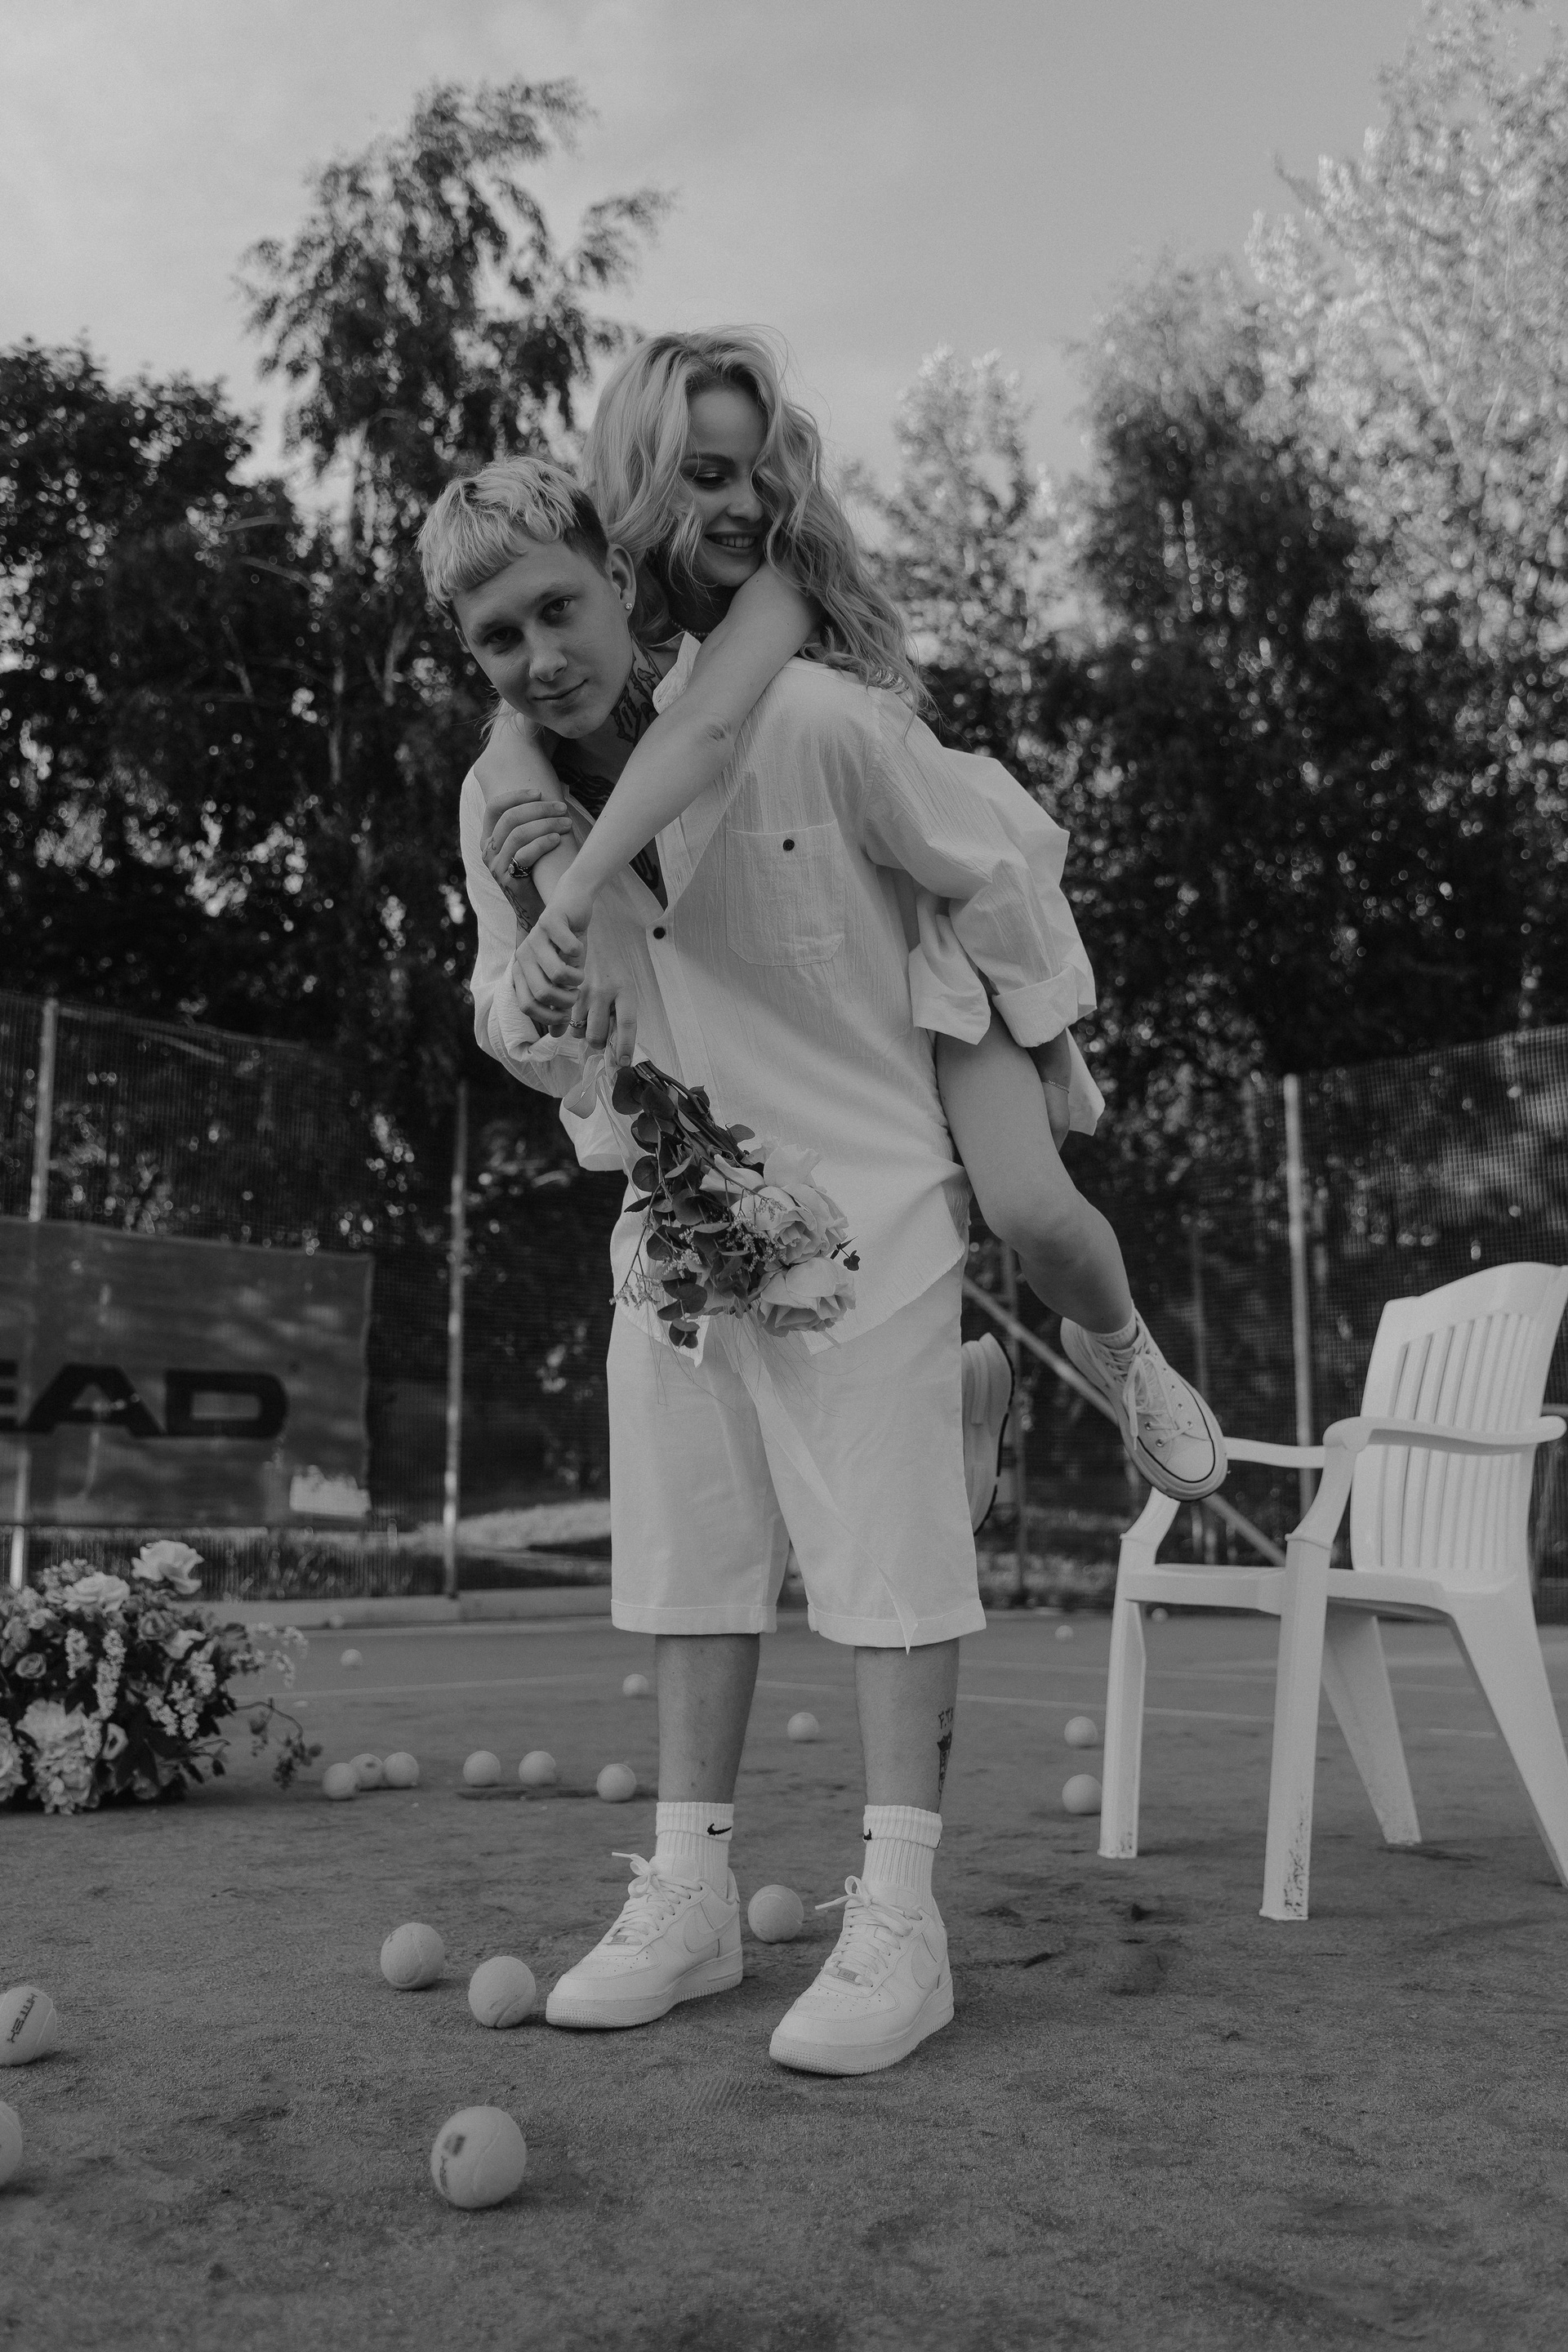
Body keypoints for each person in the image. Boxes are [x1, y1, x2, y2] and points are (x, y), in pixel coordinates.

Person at [418, 454, 1118, 2074]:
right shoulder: (496, 806)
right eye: (498, 637)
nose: (539, 656)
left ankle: (903, 1922)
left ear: (621, 578)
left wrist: (1046, 1048)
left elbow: (991, 856)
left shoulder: (805, 717)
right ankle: (691, 1895)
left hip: (869, 1195)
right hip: (676, 1215)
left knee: (886, 1555)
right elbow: (511, 1013)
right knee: (689, 1546)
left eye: (559, 608)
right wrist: (535, 1004)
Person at [474, 329, 1225, 1501]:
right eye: (708, 475)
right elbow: (512, 737)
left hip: (926, 929)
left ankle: (1123, 1348)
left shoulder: (778, 586)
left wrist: (576, 889)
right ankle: (951, 1408)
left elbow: (703, 730)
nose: (746, 502)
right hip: (801, 982)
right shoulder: (590, 612)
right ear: (638, 482)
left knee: (1034, 1210)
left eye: (761, 471)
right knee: (810, 1235)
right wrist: (560, 867)